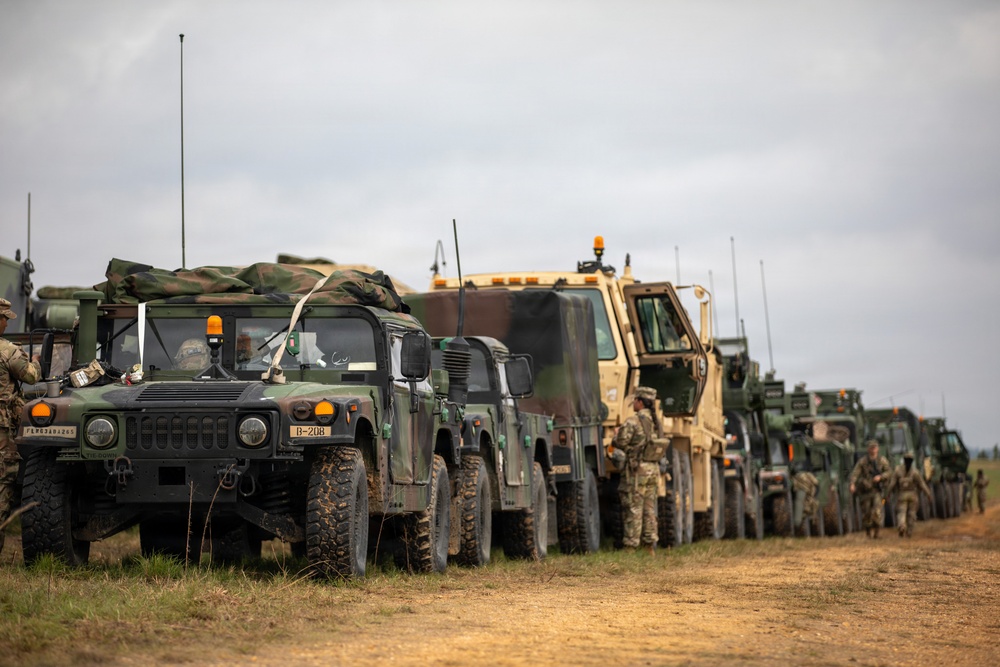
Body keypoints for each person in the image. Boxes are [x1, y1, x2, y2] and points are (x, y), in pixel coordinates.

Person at [0, 299, 41, 553]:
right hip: (3, 430)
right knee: (4, 481)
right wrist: (35, 360)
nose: (6, 323)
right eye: (5, 318)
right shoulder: (8, 351)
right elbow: (31, 376)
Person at [612, 386, 660, 554]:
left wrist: (616, 435)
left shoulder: (633, 421)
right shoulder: (656, 422)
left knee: (633, 507)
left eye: (635, 400)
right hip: (653, 470)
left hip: (637, 471)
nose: (633, 403)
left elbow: (621, 443)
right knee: (649, 509)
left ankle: (630, 547)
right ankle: (649, 547)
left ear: (640, 402)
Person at [885, 452, 932, 537]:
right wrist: (928, 494)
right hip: (912, 495)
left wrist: (887, 495)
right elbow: (922, 484)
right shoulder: (915, 472)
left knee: (901, 512)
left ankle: (902, 526)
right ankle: (909, 531)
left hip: (901, 495)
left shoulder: (898, 470)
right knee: (911, 514)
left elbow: (892, 484)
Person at [850, 440, 890, 538]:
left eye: (875, 447)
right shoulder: (863, 461)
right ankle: (868, 533)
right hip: (866, 491)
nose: (873, 450)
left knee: (877, 512)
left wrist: (880, 477)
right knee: (866, 513)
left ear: (878, 448)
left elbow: (889, 472)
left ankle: (876, 533)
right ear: (868, 449)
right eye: (871, 448)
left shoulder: (882, 460)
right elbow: (855, 473)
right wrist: (852, 484)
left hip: (877, 491)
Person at [792, 460, 819, 535]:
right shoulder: (808, 475)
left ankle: (799, 525)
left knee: (801, 505)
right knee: (807, 507)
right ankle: (802, 525)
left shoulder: (797, 476)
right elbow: (816, 483)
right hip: (808, 493)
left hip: (802, 492)